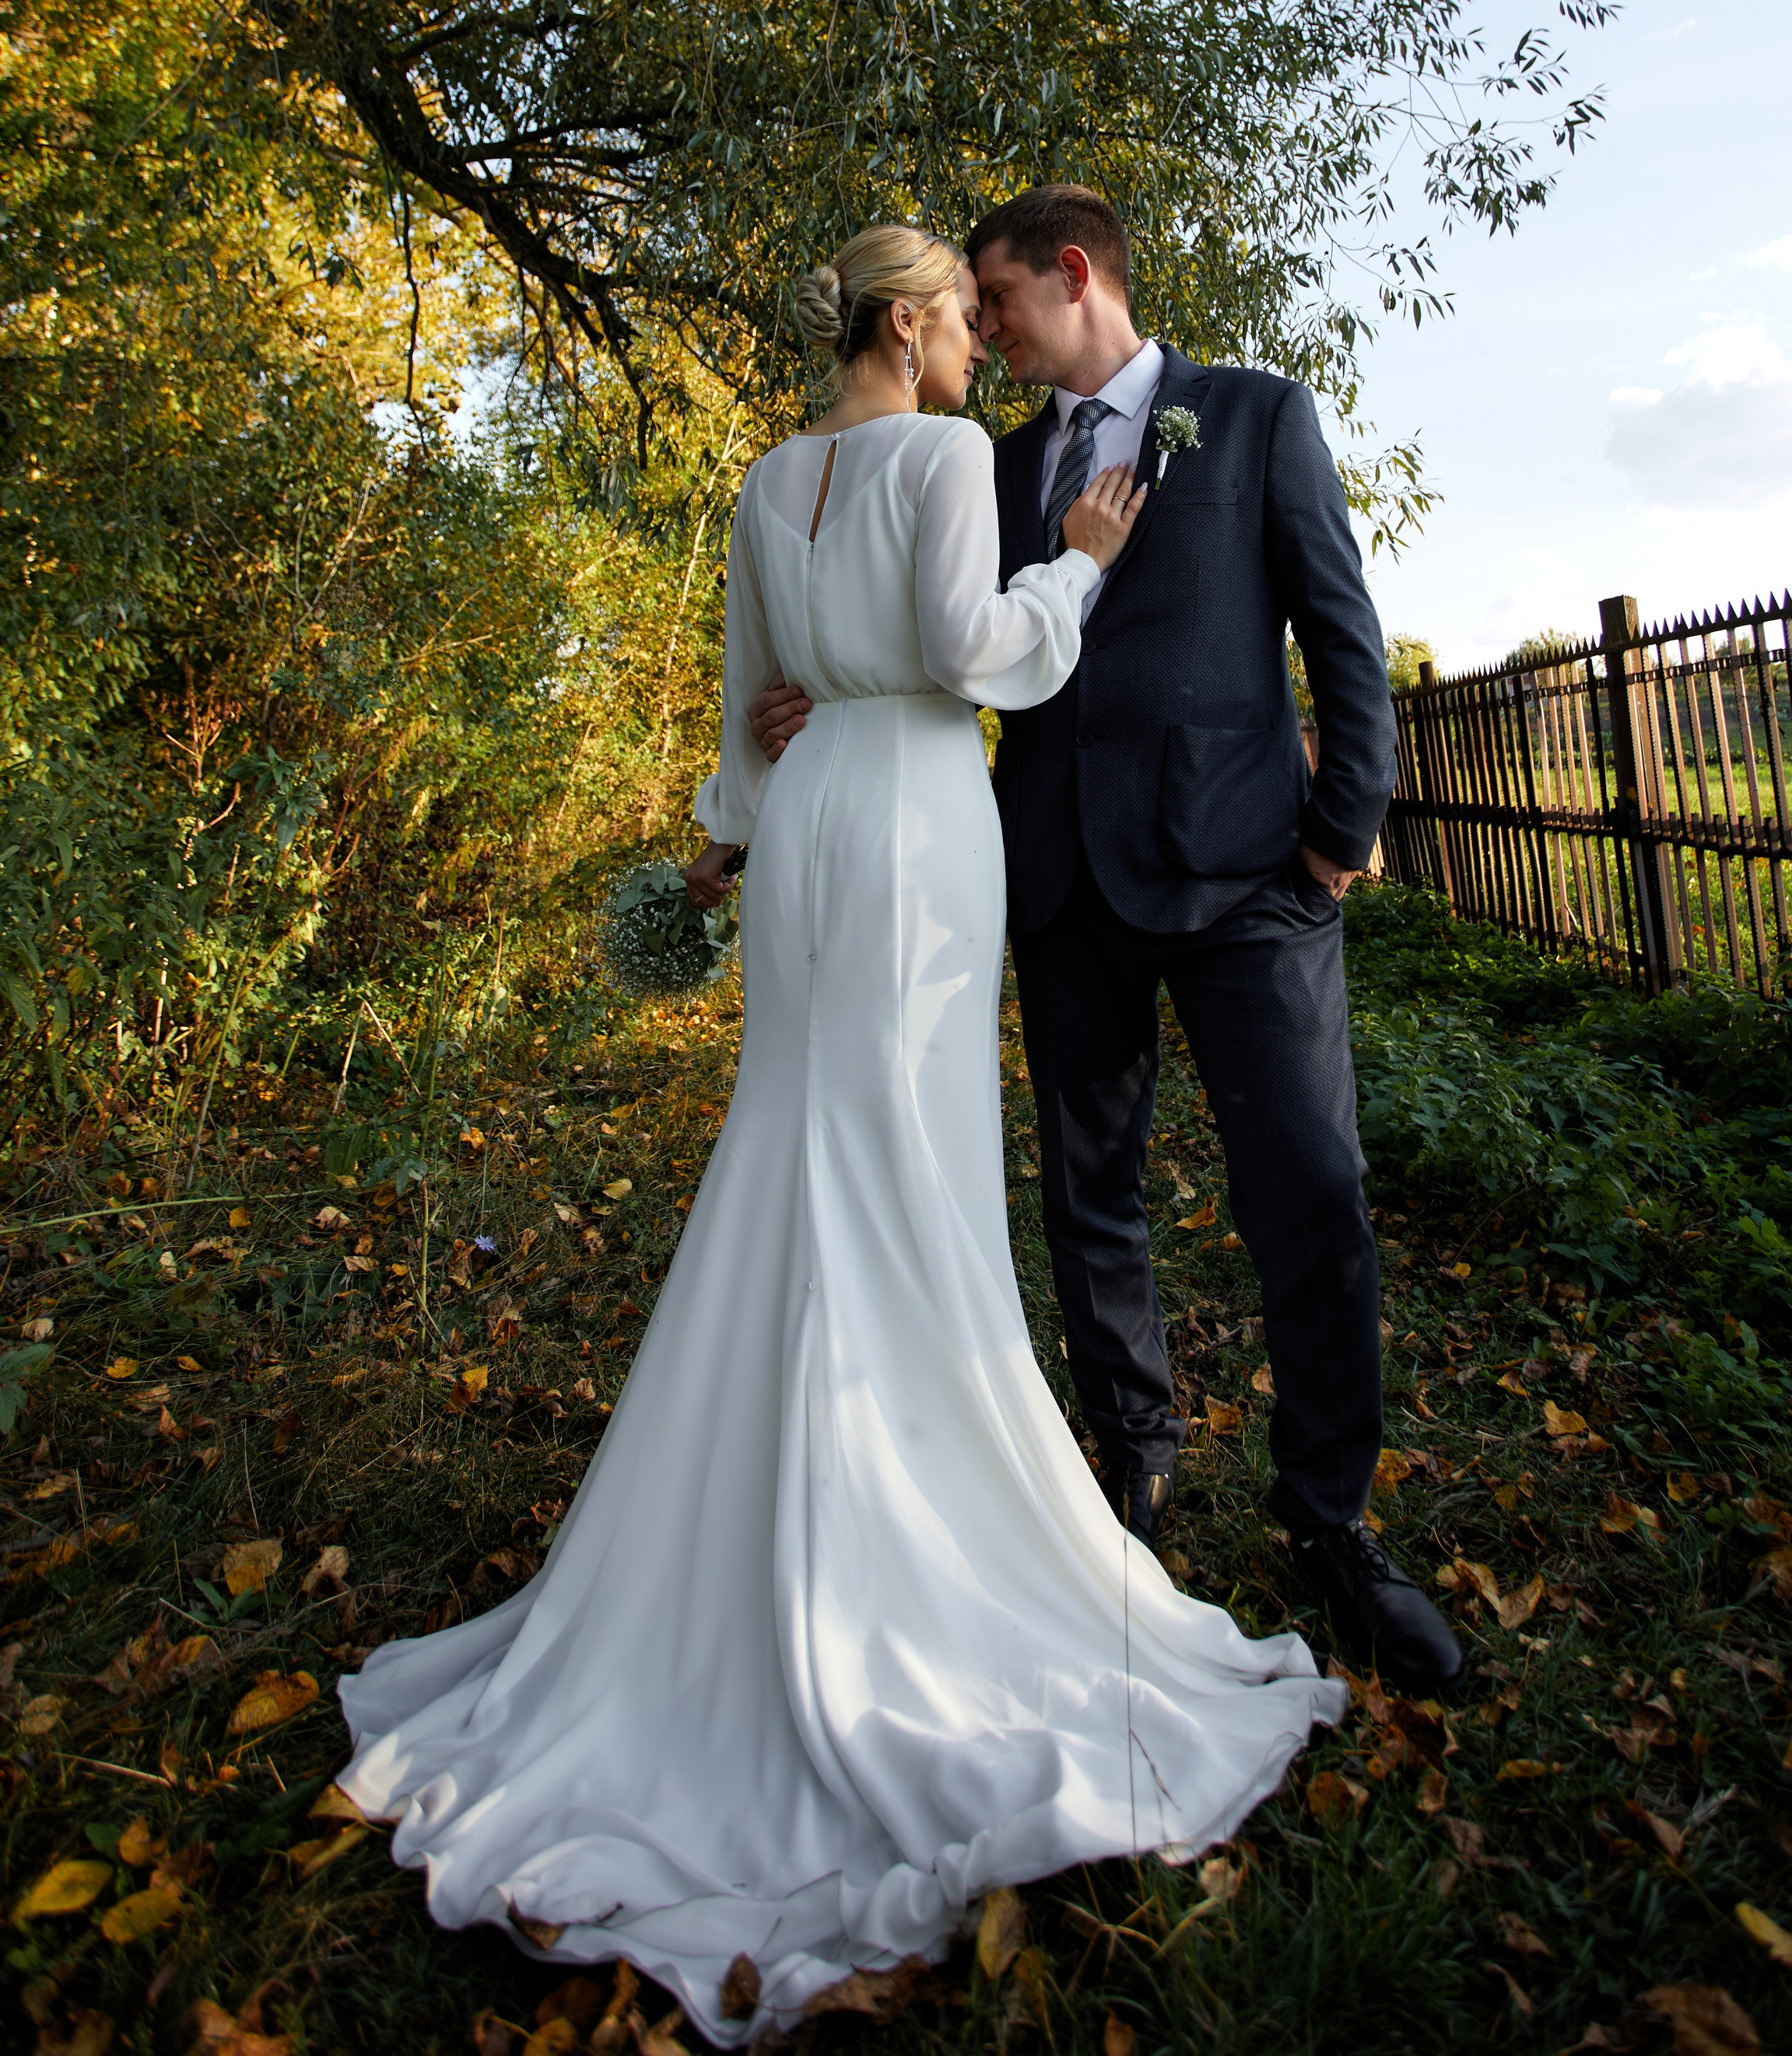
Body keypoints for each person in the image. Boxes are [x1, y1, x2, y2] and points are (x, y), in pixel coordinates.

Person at [339, 224, 1346, 2047]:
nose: (977, 347)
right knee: (902, 1172)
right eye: (959, 320)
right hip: (908, 830)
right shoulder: (949, 459)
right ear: (903, 324)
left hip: (808, 834)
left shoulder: (762, 481)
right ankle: (903, 1525)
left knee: (804, 1146)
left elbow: (747, 711)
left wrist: (723, 845)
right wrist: (1084, 571)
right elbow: (979, 649)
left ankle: (754, 1519)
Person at [748, 188, 1461, 1695]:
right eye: (969, 313)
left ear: (1071, 276)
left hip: (1246, 878)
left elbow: (1339, 625)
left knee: (1310, 1192)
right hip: (1049, 877)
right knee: (1090, 1200)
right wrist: (808, 697)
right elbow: (929, 634)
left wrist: (1340, 829)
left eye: (998, 300)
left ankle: (1329, 1516)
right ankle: (1124, 1474)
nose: (985, 332)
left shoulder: (1250, 417)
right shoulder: (984, 462)